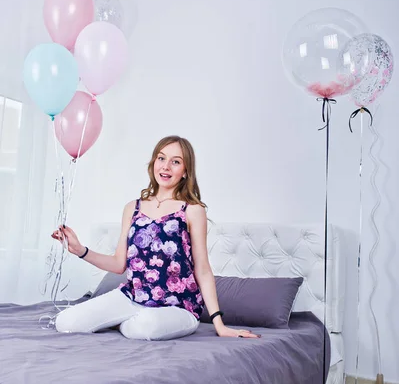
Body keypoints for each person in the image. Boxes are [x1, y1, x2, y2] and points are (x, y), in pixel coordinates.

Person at [52, 136, 260, 341]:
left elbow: (203, 269)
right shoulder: (132, 208)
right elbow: (118, 264)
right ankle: (126, 318)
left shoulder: (192, 210)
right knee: (66, 322)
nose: (166, 166)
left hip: (178, 306)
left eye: (175, 161)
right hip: (132, 297)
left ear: (186, 171)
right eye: (161, 158)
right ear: (153, 163)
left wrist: (219, 324)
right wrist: (81, 250)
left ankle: (124, 320)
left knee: (144, 326)